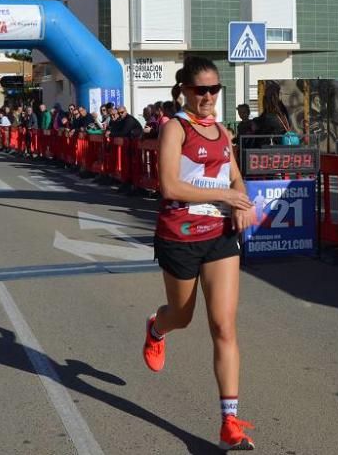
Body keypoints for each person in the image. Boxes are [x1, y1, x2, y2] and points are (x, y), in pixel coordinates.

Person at [142, 55, 257, 451]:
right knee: (183, 316)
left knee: (224, 327)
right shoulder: (176, 128)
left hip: (220, 236)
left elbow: (235, 175)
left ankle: (229, 421)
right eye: (200, 90)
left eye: (214, 89)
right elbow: (170, 186)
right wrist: (226, 194)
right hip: (179, 236)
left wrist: (243, 201)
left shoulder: (222, 131)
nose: (208, 96)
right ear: (185, 91)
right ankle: (157, 328)